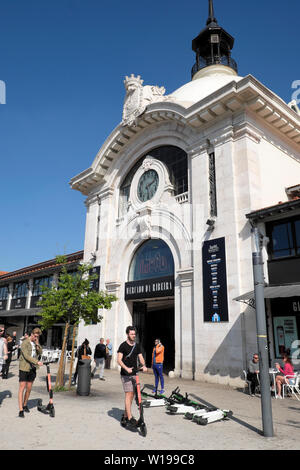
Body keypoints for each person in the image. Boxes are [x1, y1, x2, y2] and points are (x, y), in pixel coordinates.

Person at [117, 326, 147, 427]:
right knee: (128, 394)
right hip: (126, 374)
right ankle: (129, 418)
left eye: (134, 334)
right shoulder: (123, 346)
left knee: (132, 395)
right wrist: (126, 368)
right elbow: (119, 360)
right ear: (127, 334)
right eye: (132, 334)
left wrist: (144, 365)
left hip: (134, 374)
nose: (134, 336)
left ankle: (125, 415)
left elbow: (141, 357)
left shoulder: (137, 346)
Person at [18, 328, 43, 417]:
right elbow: (26, 356)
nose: (36, 338)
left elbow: (40, 352)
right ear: (31, 334)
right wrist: (37, 362)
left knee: (29, 388)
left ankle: (25, 405)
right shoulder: (25, 343)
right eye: (35, 336)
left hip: (32, 369)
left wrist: (37, 344)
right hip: (24, 367)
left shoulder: (35, 343)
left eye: (37, 337)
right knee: (22, 387)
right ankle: (21, 410)